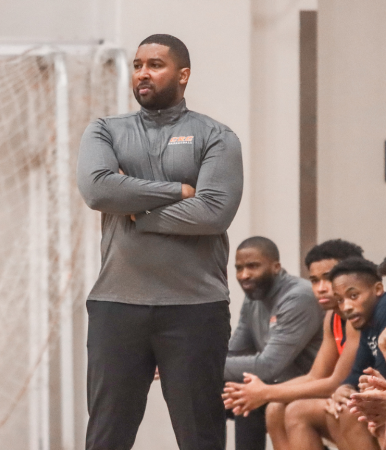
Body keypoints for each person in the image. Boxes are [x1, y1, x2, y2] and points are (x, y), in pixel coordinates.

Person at [77, 34, 243, 450]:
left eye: (155, 64)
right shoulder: (104, 131)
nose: (143, 73)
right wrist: (177, 191)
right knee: (106, 437)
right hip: (117, 305)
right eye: (137, 65)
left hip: (195, 309)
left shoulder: (217, 137)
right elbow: (98, 191)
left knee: (201, 436)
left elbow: (213, 214)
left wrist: (138, 213)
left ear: (183, 75)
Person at [223, 239, 364, 450]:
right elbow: (316, 376)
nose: (321, 288)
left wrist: (265, 393)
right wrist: (258, 393)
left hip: (356, 395)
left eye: (329, 278)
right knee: (270, 407)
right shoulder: (331, 318)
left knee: (295, 410)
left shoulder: (356, 317)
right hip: (337, 391)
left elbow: (335, 381)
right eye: (315, 280)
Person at [326, 257, 386, 450]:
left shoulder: (382, 310)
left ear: (378, 289)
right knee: (346, 407)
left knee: (356, 410)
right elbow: (359, 372)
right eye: (340, 300)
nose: (346, 307)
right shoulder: (369, 322)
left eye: (353, 296)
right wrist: (345, 388)